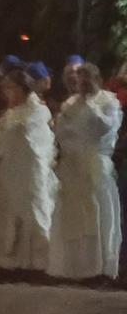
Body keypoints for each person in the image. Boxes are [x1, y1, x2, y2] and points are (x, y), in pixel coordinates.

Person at [47, 58, 121, 282]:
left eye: (86, 79)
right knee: (73, 217)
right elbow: (62, 133)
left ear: (96, 80)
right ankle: (73, 267)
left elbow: (104, 129)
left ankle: (99, 269)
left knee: (97, 215)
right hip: (73, 166)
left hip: (96, 165)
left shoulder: (109, 102)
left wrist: (90, 103)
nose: (81, 84)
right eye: (79, 79)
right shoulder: (69, 104)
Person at [0, 61, 54, 274]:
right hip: (9, 174)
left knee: (31, 213)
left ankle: (36, 263)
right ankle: (7, 261)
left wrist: (9, 134)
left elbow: (31, 139)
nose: (6, 93)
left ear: (21, 89)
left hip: (28, 174)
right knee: (7, 215)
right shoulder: (11, 113)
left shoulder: (37, 110)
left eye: (9, 88)